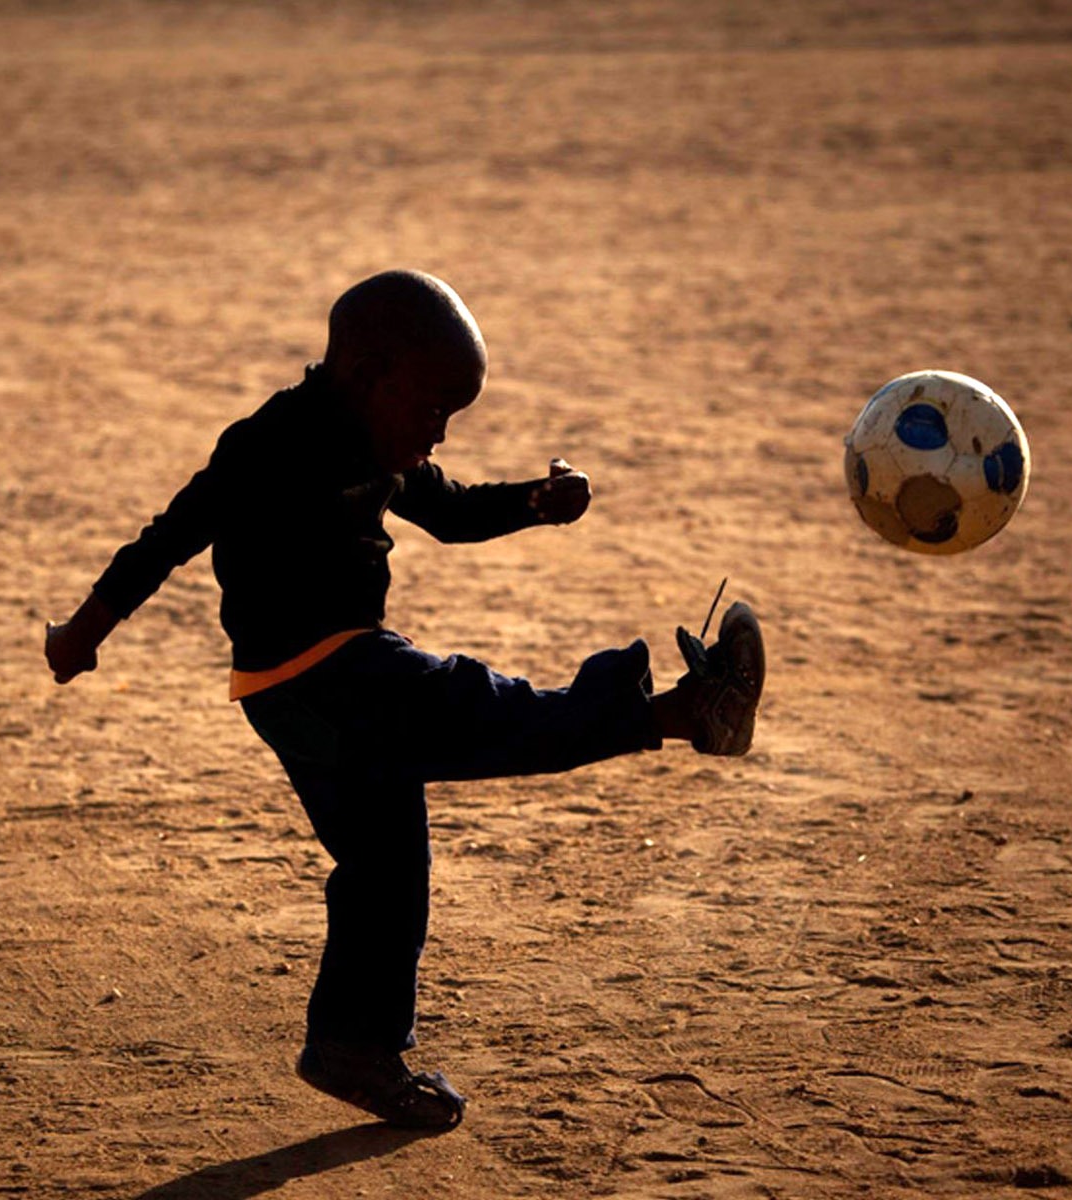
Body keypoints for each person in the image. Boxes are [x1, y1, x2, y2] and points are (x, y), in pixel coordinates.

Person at [45, 270, 763, 1131]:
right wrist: (80, 633)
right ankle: (681, 711)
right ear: (365, 375)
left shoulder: (385, 443)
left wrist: (538, 501)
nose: (438, 436)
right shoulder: (269, 443)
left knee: (388, 872)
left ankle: (353, 1048)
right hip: (327, 673)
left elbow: (454, 514)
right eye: (433, 412)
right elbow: (165, 539)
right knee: (490, 710)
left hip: (302, 692)